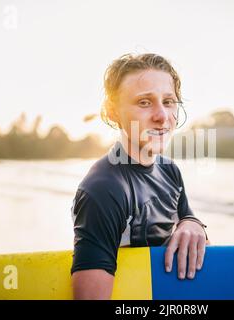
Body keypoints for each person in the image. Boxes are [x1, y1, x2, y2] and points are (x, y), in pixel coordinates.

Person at [71, 53, 209, 300]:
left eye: (168, 102)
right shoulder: (104, 190)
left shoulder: (170, 172)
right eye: (144, 102)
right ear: (112, 112)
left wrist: (193, 224)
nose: (162, 117)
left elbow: (185, 215)